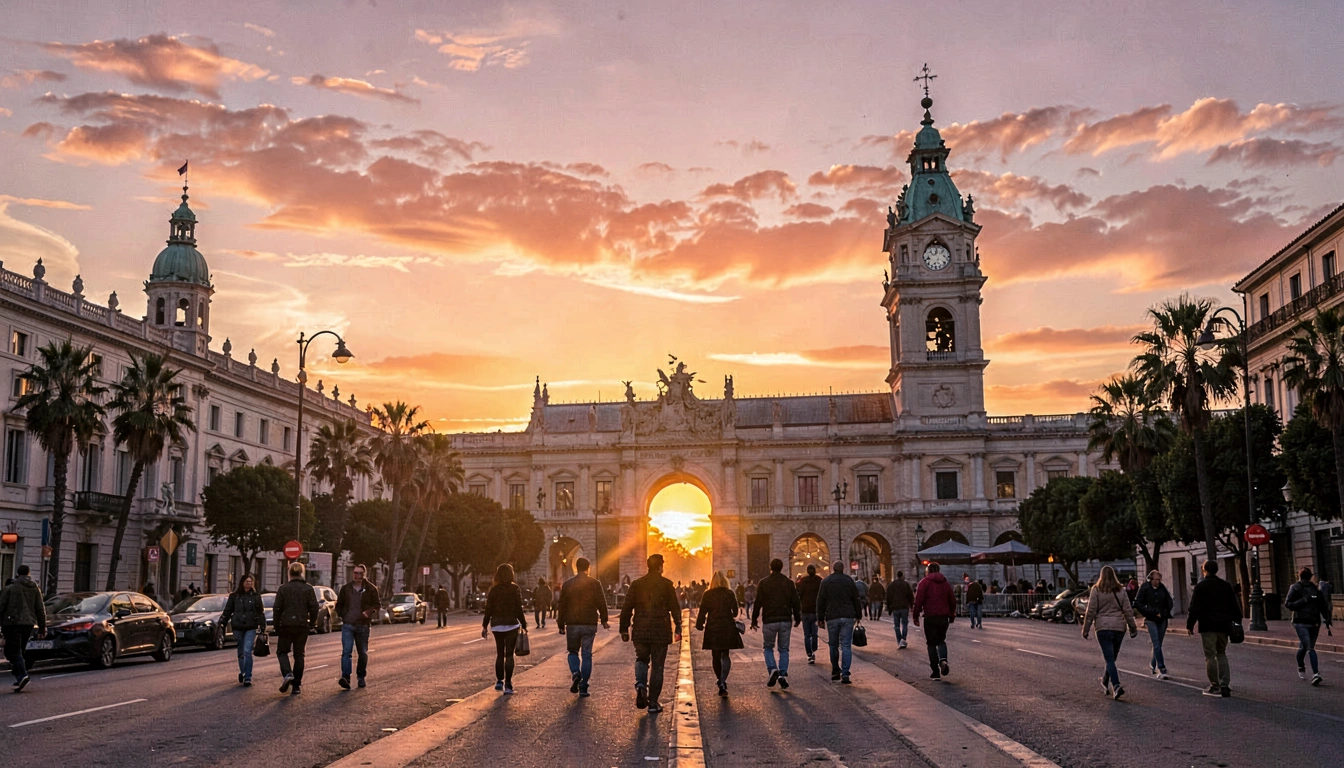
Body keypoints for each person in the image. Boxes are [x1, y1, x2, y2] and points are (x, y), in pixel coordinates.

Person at [618, 553, 682, 713]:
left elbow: (626, 608)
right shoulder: (667, 585)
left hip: (640, 628)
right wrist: (678, 627)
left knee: (641, 659)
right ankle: (653, 703)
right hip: (660, 630)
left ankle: (640, 684)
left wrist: (624, 629)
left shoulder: (637, 584)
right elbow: (675, 608)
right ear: (661, 566)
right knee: (658, 666)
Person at [1081, 565, 1138, 700]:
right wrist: (1133, 627)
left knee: (1109, 658)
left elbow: (1091, 611)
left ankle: (1116, 686)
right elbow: (1127, 610)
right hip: (1119, 627)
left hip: (1102, 628)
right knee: (1112, 657)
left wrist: (1086, 628)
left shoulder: (1096, 590)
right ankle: (1105, 680)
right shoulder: (1121, 590)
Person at [1186, 560, 1241, 698]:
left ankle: (1215, 686)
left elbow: (1194, 607)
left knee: (1210, 655)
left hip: (1207, 626)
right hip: (1224, 625)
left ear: (1204, 570)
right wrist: (1236, 622)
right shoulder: (1226, 586)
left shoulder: (1201, 586)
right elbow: (1235, 606)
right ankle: (1224, 685)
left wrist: (1190, 624)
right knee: (1221, 653)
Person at [557, 557, 608, 697]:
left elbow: (562, 605)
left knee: (572, 651)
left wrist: (560, 623)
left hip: (572, 623)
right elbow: (601, 602)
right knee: (586, 655)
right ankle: (584, 686)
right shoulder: (594, 583)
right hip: (589, 622)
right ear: (588, 568)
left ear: (576, 567)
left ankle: (575, 672)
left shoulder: (567, 584)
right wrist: (604, 619)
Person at [751, 558, 801, 689]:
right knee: (784, 649)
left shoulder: (764, 583)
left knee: (768, 647)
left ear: (770, 568)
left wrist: (754, 619)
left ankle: (772, 668)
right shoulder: (788, 583)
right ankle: (782, 674)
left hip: (769, 620)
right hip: (785, 619)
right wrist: (797, 617)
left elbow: (758, 603)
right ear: (782, 567)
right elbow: (795, 601)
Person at [272, 561, 319, 695]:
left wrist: (277, 625)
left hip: (286, 625)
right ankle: (296, 686)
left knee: (282, 652)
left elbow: (277, 608)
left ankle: (287, 673)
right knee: (299, 655)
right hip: (302, 625)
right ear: (302, 573)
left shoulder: (283, 588)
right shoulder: (308, 588)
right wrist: (312, 623)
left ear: (289, 573)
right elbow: (314, 607)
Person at [482, 563, 528, 695]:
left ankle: (498, 681)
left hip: (497, 625)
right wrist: (524, 624)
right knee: (509, 655)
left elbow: (488, 609)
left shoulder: (493, 590)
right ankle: (508, 684)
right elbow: (518, 608)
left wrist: (485, 625)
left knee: (500, 654)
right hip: (512, 625)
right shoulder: (515, 589)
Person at [696, 570, 743, 697]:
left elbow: (702, 611)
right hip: (727, 626)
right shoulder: (729, 593)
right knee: (725, 654)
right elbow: (735, 612)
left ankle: (720, 680)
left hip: (713, 627)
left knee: (715, 655)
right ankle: (723, 680)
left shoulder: (708, 594)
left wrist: (699, 624)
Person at [816, 559, 863, 684]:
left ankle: (835, 671)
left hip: (832, 616)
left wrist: (820, 618)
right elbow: (856, 599)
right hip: (847, 616)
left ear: (833, 568)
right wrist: (858, 614)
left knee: (833, 645)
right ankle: (846, 673)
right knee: (846, 645)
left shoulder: (825, 582)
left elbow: (821, 601)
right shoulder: (849, 581)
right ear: (843, 569)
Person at [336, 563, 382, 690]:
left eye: (360, 573)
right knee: (346, 652)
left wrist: (368, 612)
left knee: (362, 652)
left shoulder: (371, 589)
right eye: (356, 573)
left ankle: (361, 677)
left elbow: (377, 604)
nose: (357, 576)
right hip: (348, 625)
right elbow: (339, 604)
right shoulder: (346, 589)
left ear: (364, 574)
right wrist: (343, 615)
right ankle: (346, 678)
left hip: (363, 625)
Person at [0, 563, 45, 692]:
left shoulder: (11, 588)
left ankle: (22, 675)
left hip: (12, 623)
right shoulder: (34, 588)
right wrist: (42, 628)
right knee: (19, 650)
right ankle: (20, 673)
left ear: (18, 573)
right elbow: (40, 609)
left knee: (12, 652)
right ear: (29, 574)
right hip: (29, 624)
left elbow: (1, 606)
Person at [1286, 567, 1333, 686]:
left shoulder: (1315, 589)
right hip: (1300, 622)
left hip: (1313, 622)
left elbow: (1322, 605)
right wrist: (1304, 600)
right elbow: (1289, 604)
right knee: (1310, 647)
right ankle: (1315, 674)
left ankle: (1301, 665)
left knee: (1304, 646)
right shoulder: (1295, 587)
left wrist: (1327, 618)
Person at [219, 574, 265, 686]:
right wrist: (222, 624)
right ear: (242, 582)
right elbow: (227, 611)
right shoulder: (234, 596)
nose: (249, 583)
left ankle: (248, 676)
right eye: (247, 581)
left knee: (247, 651)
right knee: (241, 651)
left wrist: (262, 626)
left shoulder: (255, 596)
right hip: (238, 626)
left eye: (251, 582)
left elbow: (260, 611)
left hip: (251, 626)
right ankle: (243, 672)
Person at [913, 562, 956, 680]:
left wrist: (915, 616)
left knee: (931, 643)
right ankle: (943, 660)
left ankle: (935, 671)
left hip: (930, 617)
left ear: (928, 571)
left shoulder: (924, 583)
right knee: (941, 640)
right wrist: (951, 615)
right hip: (943, 617)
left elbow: (918, 601)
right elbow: (952, 601)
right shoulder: (946, 583)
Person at [1133, 570, 1173, 679]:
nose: (1158, 582)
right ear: (1151, 579)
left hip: (1162, 618)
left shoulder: (1162, 588)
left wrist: (1164, 612)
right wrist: (1148, 611)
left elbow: (1169, 601)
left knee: (1158, 643)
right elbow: (1137, 603)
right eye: (1156, 580)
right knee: (1156, 642)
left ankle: (1153, 663)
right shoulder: (1145, 588)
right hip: (1150, 619)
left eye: (1159, 580)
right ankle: (1162, 668)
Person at [798, 564, 823, 664]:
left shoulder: (803, 581)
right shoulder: (819, 581)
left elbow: (798, 595)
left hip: (805, 611)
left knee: (807, 635)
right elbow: (822, 596)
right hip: (815, 611)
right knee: (814, 633)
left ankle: (809, 653)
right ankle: (814, 649)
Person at [885, 570, 915, 649]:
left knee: (897, 625)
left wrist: (888, 607)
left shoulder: (891, 585)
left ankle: (899, 641)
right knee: (905, 624)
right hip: (904, 607)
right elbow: (910, 596)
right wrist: (912, 605)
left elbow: (888, 597)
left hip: (895, 607)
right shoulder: (906, 584)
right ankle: (903, 639)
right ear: (902, 576)